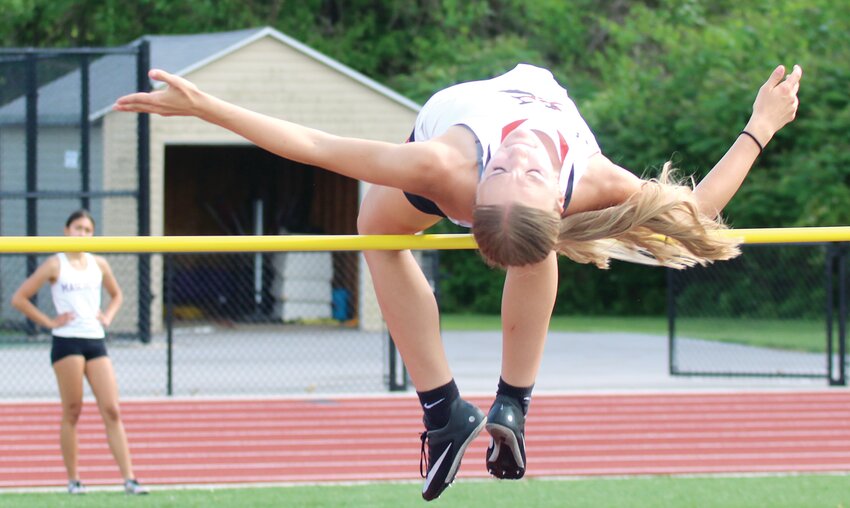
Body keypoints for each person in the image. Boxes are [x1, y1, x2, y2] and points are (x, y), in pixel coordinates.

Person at [114, 62, 801, 500]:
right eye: (507, 172)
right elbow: (700, 209)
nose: (517, 158)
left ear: (557, 205)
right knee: (429, 239)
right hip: (484, 120)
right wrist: (759, 127)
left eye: (519, 174)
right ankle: (485, 408)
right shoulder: (496, 174)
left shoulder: (462, 171)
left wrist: (208, 106)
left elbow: (317, 146)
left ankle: (462, 413)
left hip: (463, 126)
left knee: (404, 238)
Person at [10, 210, 149, 495]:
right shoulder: (54, 264)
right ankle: (74, 480)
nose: (82, 234)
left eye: (87, 229)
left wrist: (108, 315)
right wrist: (49, 322)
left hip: (95, 340)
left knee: (111, 409)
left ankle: (129, 479)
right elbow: (19, 298)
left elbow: (117, 294)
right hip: (67, 341)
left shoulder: (99, 263)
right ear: (66, 230)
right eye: (77, 228)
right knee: (73, 411)